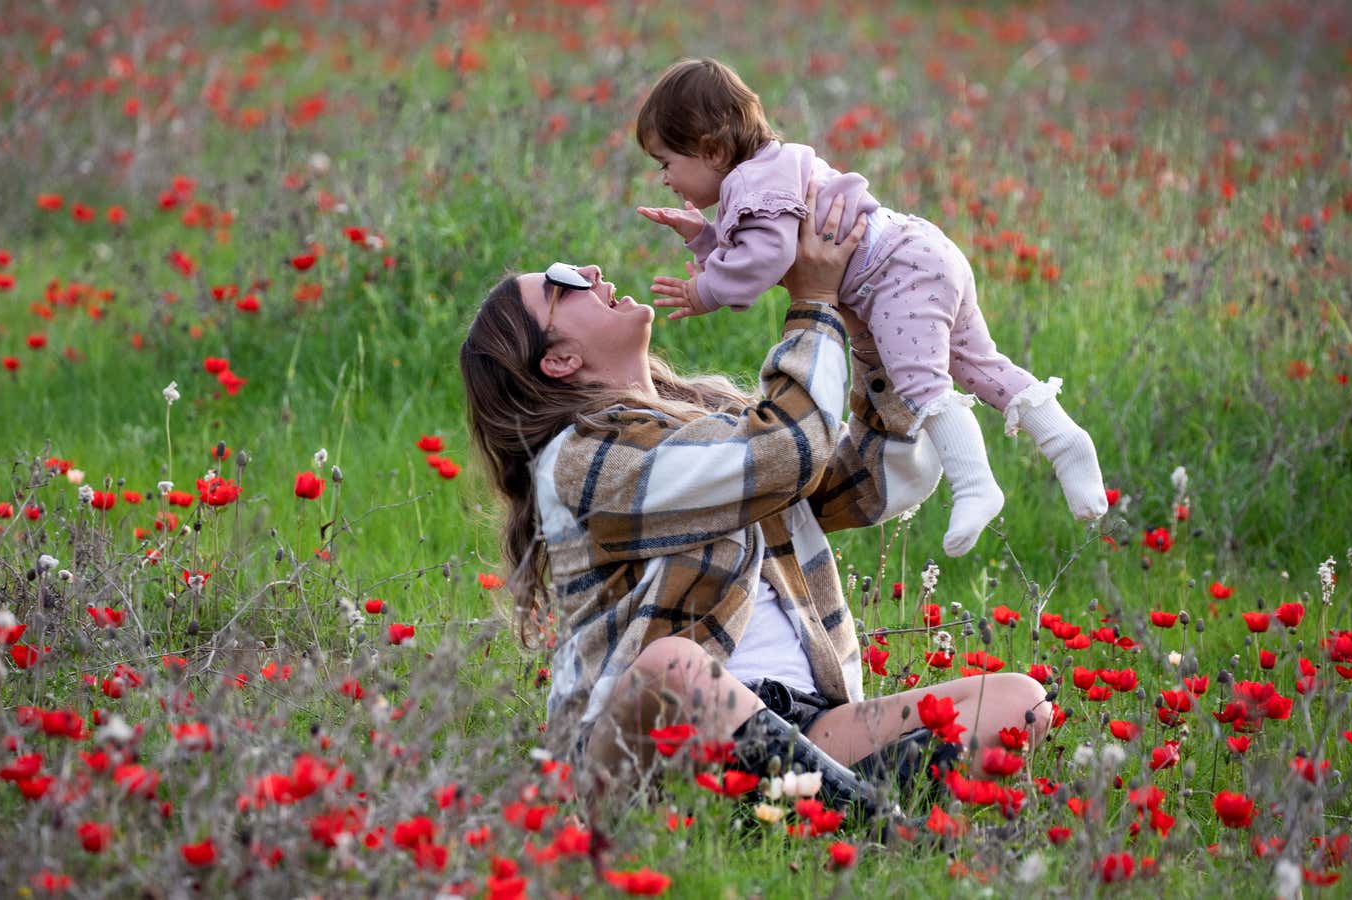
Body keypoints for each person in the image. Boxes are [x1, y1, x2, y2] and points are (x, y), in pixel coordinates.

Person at [460, 186, 1054, 833]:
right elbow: (785, 452)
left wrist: (875, 326)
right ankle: (884, 829)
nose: (592, 274)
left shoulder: (717, 425)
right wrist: (813, 302)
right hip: (647, 742)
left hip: (797, 723)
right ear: (560, 360)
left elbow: (873, 483)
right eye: (562, 286)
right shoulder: (581, 462)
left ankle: (820, 808)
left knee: (1018, 702)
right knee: (672, 665)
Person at [635, 57, 1108, 558]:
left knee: (922, 383)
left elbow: (769, 257)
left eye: (666, 162)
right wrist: (705, 239)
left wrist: (703, 291)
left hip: (895, 274)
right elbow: (761, 251)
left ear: (712, 150)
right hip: (920, 253)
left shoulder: (750, 183)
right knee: (979, 365)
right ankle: (1064, 439)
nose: (665, 178)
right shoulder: (768, 170)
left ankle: (975, 485)